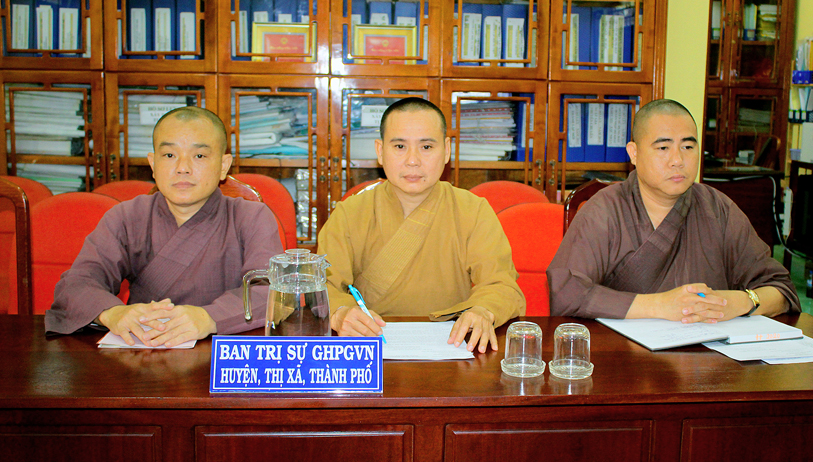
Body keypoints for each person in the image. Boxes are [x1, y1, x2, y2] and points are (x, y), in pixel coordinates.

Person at [45, 107, 282, 347]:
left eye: (199, 156)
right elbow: (77, 284)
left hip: (222, 355)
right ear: (152, 163)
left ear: (223, 165)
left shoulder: (251, 217)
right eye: (169, 155)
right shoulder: (127, 217)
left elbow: (274, 292)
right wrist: (112, 313)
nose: (182, 167)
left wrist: (209, 317)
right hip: (143, 348)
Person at [548, 99, 800, 322]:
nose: (678, 160)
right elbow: (567, 293)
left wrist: (738, 303)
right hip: (624, 354)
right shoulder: (604, 210)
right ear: (634, 153)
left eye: (688, 147)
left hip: (709, 353)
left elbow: (781, 289)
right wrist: (660, 306)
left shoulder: (718, 208)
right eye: (663, 148)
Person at [317, 97, 526, 353]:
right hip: (370, 344)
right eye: (400, 146)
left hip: (451, 345)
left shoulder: (473, 210)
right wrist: (340, 312)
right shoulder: (350, 213)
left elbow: (502, 285)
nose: (413, 160)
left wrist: (483, 310)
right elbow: (321, 286)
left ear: (446, 150)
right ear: (380, 151)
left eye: (426, 147)